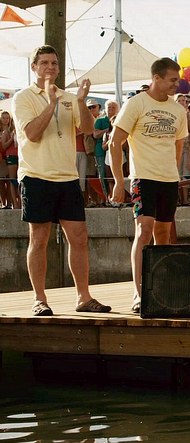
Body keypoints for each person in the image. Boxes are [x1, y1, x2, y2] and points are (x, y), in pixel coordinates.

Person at [11, 45, 111, 316]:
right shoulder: (23, 97)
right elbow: (32, 134)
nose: (50, 67)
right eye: (44, 63)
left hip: (67, 177)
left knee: (79, 237)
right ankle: (39, 299)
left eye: (54, 63)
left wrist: (81, 101)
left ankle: (84, 297)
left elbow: (88, 129)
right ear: (34, 67)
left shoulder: (69, 97)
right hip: (36, 176)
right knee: (39, 239)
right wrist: (51, 103)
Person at [109, 57, 189, 313]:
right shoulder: (136, 103)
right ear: (156, 78)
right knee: (144, 229)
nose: (177, 85)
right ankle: (139, 291)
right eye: (172, 80)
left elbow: (179, 145)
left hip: (169, 179)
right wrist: (119, 181)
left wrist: (173, 173)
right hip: (143, 177)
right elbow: (115, 142)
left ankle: (161, 289)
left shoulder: (178, 110)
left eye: (178, 80)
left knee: (163, 235)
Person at [92, 100, 119, 203]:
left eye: (113, 107)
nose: (111, 109)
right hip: (101, 151)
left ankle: (115, 197)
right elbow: (95, 134)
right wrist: (108, 130)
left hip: (115, 151)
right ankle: (105, 198)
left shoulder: (118, 120)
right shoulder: (100, 120)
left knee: (115, 174)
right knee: (102, 175)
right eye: (109, 107)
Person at [0, 111, 20, 209]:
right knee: (7, 181)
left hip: (18, 156)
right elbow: (3, 146)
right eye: (3, 118)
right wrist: (11, 138)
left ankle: (13, 203)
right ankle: (7, 203)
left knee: (15, 180)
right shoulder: (6, 132)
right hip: (6, 158)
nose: (5, 120)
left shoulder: (18, 130)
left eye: (7, 118)